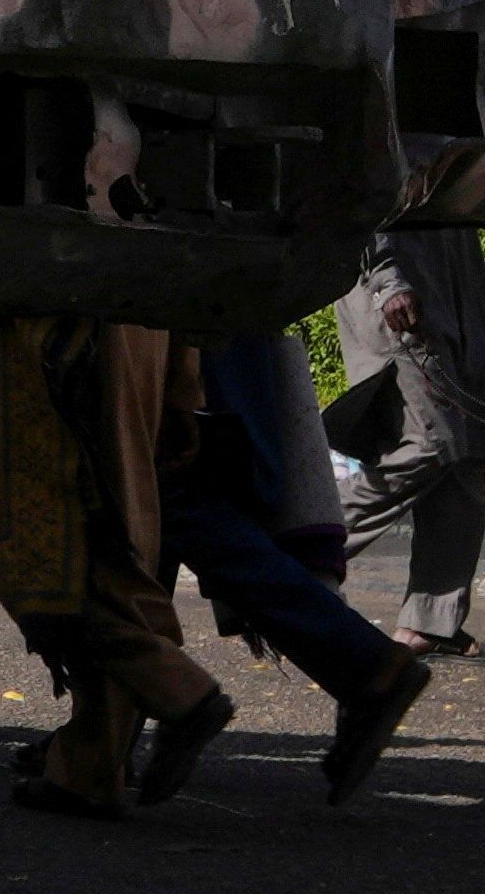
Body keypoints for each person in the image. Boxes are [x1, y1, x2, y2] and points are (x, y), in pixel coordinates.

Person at [0, 314, 233, 818]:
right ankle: (88, 767)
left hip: (55, 312)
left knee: (39, 549)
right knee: (117, 536)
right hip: (142, 315)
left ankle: (174, 684)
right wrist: (183, 383)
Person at [159, 329, 431, 803]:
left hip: (190, 318)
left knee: (160, 495)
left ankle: (135, 707)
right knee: (168, 498)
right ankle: (118, 719)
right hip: (227, 314)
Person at [335, 222, 485, 659]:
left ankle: (431, 623)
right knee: (430, 444)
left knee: (467, 457)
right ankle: (298, 548)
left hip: (452, 276)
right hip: (394, 287)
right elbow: (365, 191)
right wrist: (386, 280)